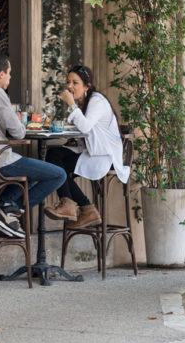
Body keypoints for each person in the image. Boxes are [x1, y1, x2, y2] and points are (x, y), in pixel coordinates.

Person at [0, 52, 67, 238]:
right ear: (1, 74)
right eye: (9, 73)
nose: (10, 77)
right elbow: (19, 133)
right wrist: (17, 119)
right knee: (59, 175)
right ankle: (9, 211)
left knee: (31, 175)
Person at [45, 65, 130, 228]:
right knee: (54, 156)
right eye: (68, 82)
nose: (70, 86)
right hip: (93, 151)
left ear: (87, 86)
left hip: (105, 157)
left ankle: (76, 205)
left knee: (55, 161)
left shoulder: (96, 101)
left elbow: (85, 127)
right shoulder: (84, 102)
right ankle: (83, 207)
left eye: (75, 83)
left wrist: (71, 104)